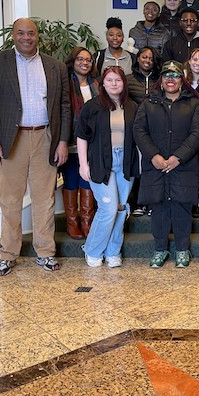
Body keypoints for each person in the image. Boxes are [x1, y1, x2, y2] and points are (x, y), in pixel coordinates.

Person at [0, 18, 70, 276]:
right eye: (21, 33)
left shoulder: (54, 66)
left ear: (37, 36)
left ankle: (46, 253)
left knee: (45, 199)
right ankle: (8, 254)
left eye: (31, 33)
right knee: (10, 200)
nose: (26, 37)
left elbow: (64, 106)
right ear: (13, 35)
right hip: (11, 140)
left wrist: (62, 140)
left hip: (44, 137)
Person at [134, 61, 199, 268]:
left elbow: (198, 133)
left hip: (183, 166)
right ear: (161, 79)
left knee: (182, 208)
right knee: (159, 209)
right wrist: (153, 155)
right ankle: (160, 249)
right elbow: (139, 130)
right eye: (166, 75)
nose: (170, 80)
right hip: (155, 166)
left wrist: (178, 157)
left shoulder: (193, 104)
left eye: (175, 76)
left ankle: (182, 250)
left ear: (181, 80)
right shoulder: (149, 103)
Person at [76, 66, 138, 268]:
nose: (114, 84)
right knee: (108, 209)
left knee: (121, 208)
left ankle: (113, 251)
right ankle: (92, 249)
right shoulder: (92, 107)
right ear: (102, 83)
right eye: (109, 80)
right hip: (101, 162)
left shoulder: (132, 107)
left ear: (123, 83)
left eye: (118, 80)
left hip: (125, 161)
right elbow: (82, 137)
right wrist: (83, 164)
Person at [62, 46, 99, 240]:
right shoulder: (65, 83)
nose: (85, 63)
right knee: (71, 179)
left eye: (88, 60)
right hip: (69, 140)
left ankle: (87, 221)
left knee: (88, 179)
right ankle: (72, 223)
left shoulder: (97, 84)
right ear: (73, 61)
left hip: (92, 141)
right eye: (80, 59)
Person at [126, 45, 161, 217]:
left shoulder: (160, 80)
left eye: (151, 58)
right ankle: (137, 202)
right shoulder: (128, 79)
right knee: (136, 166)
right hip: (134, 129)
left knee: (153, 166)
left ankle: (152, 202)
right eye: (144, 57)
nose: (147, 61)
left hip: (155, 128)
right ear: (138, 58)